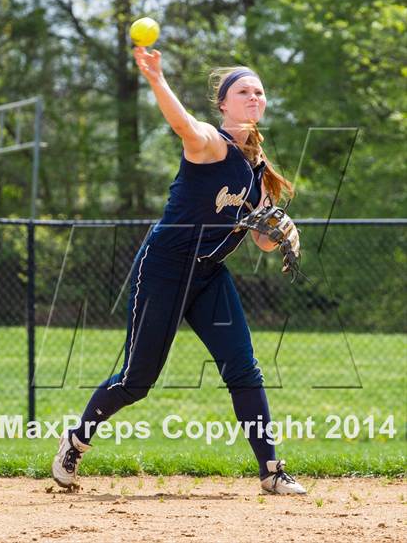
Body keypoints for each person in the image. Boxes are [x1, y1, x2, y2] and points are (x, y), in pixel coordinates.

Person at [52, 46, 306, 495]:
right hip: (165, 271)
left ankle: (270, 469)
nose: (253, 97)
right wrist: (155, 79)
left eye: (259, 92)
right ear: (224, 103)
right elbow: (182, 124)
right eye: (243, 90)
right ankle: (76, 440)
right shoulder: (210, 143)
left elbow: (262, 241)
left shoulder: (258, 171)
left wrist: (281, 229)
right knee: (136, 380)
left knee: (244, 369)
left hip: (209, 275)